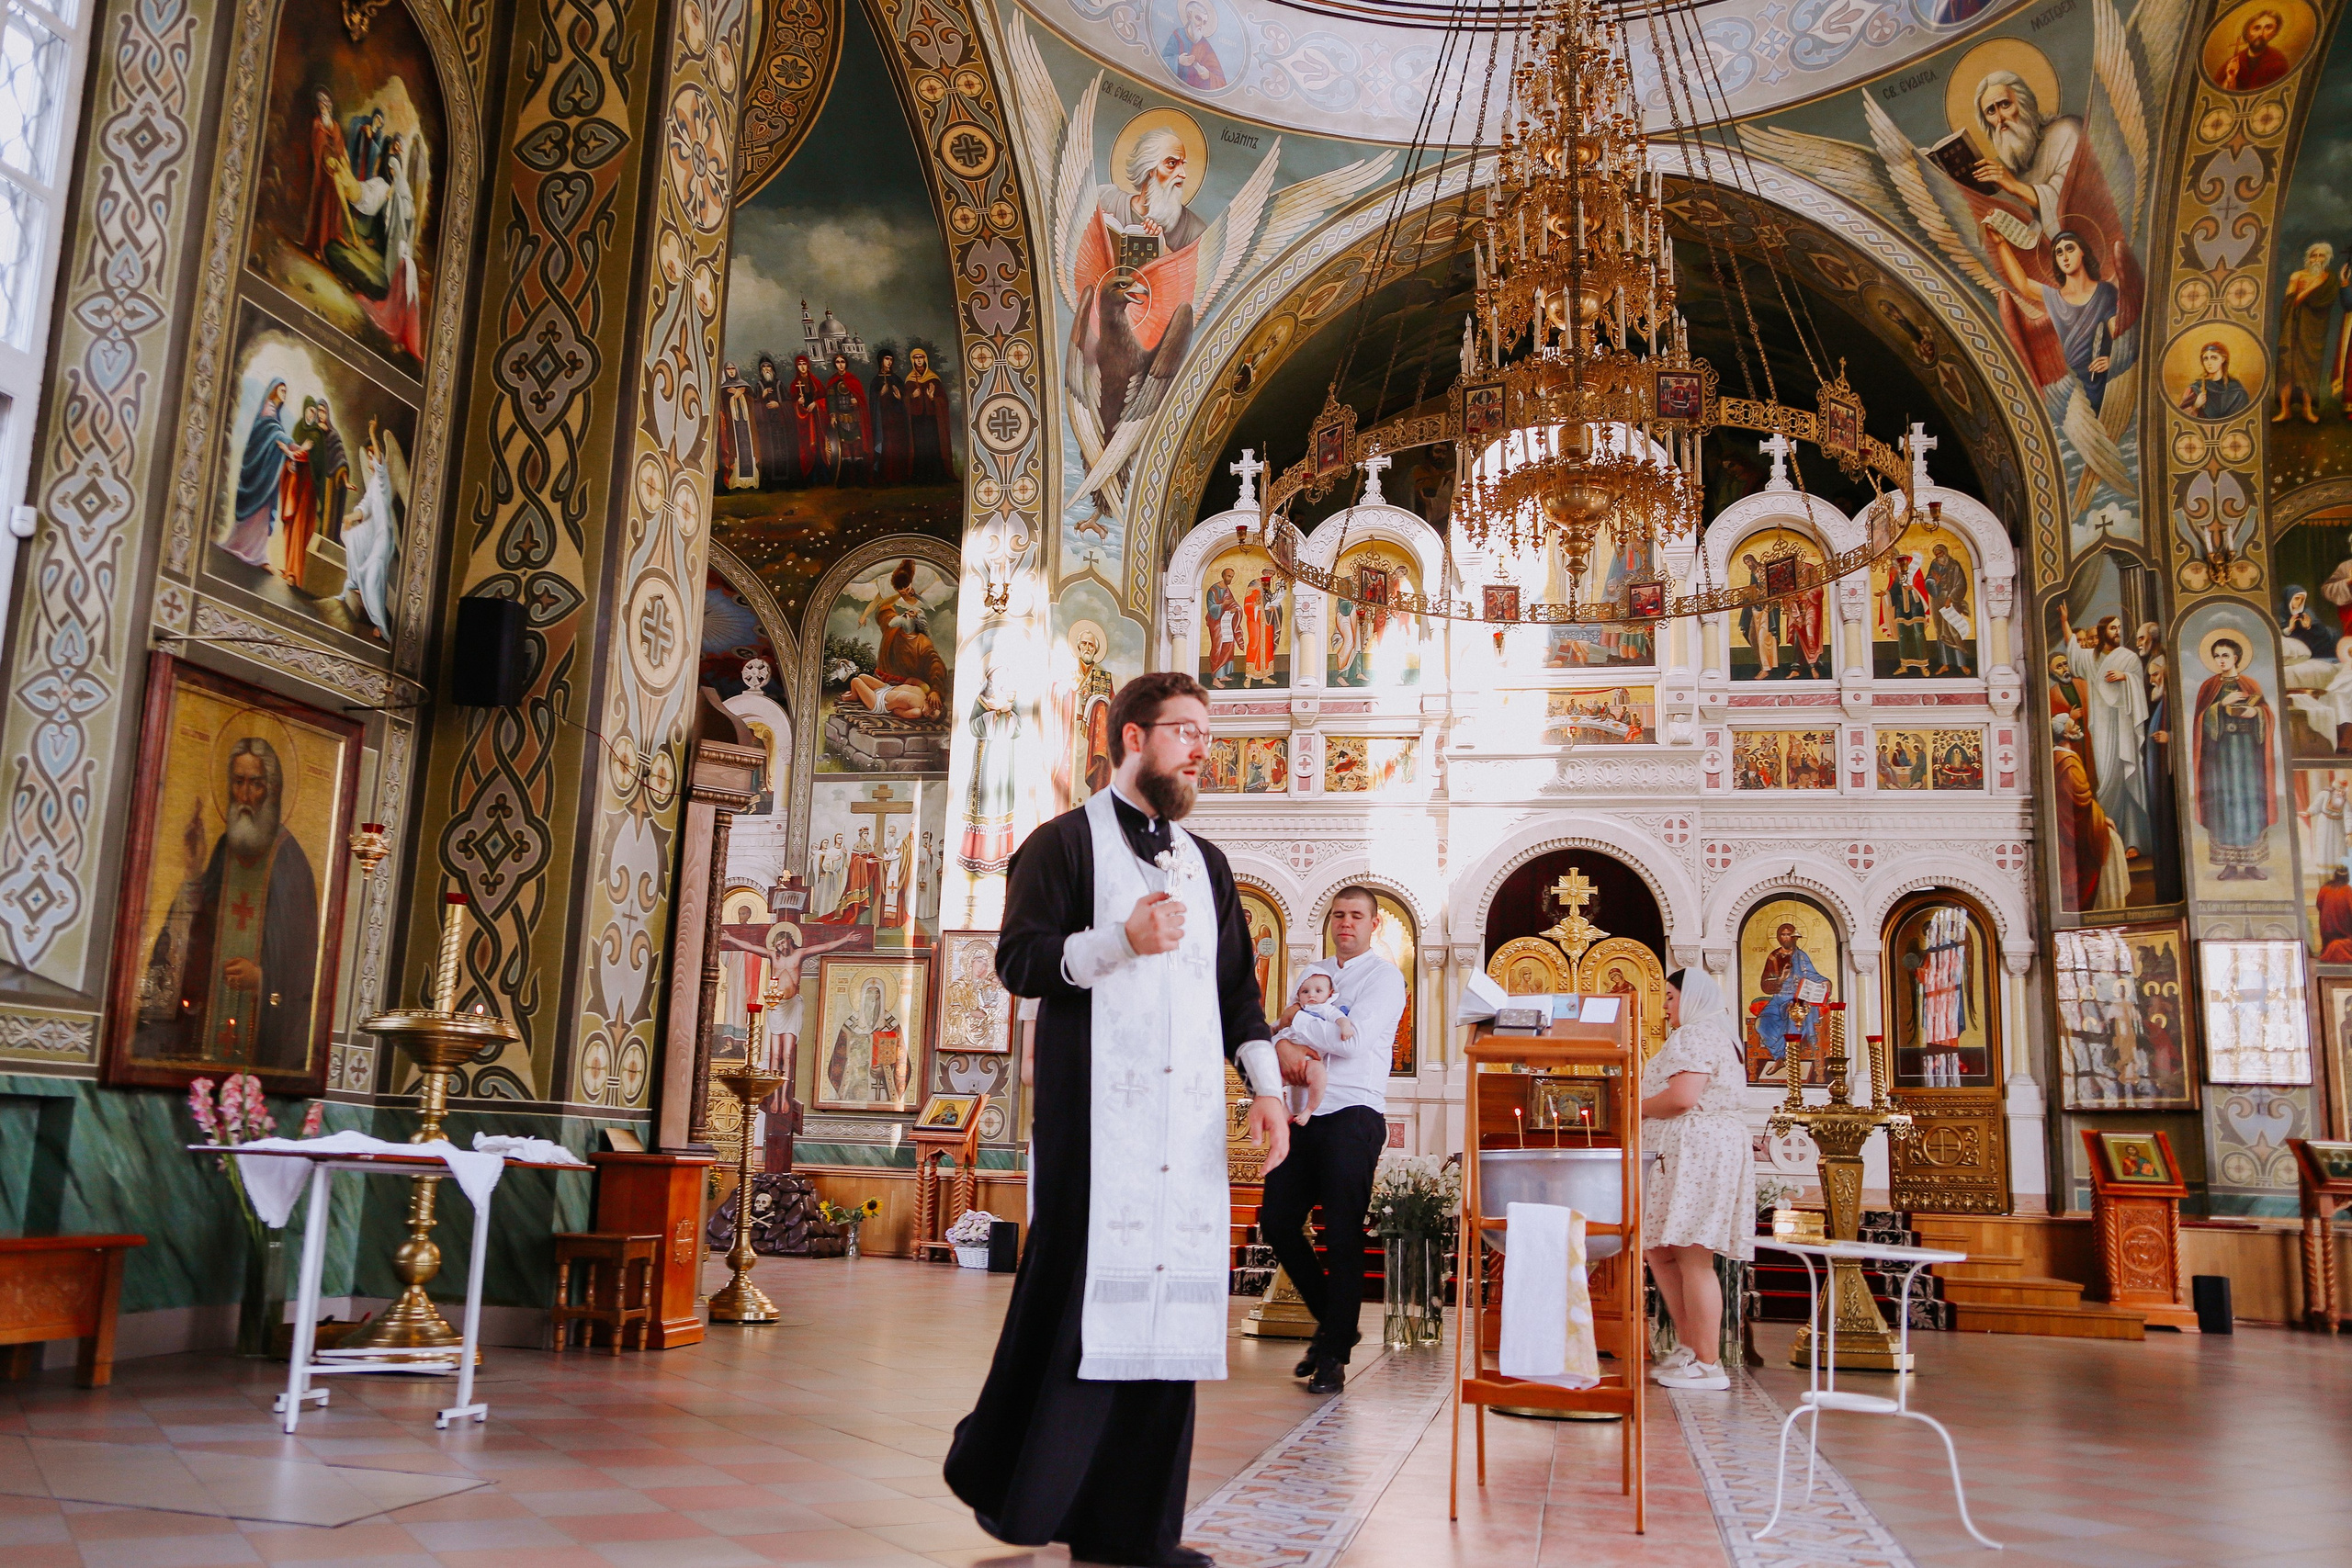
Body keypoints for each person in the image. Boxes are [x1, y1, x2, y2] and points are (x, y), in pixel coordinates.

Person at [946, 671, 1289, 1568]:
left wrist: (1267, 1090)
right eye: (1184, 731)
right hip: (1097, 1125)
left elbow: (1238, 996)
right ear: (1129, 737)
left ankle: (1136, 1530)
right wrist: (1118, 943)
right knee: (1078, 1308)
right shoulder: (1061, 847)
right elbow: (1016, 964)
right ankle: (1011, 1485)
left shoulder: (1206, 864)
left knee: (1172, 1317)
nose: (1200, 749)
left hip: (1186, 1136)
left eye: (1205, 735)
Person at [1261, 884, 1408, 1393]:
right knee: (1276, 1219)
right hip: (1304, 1114)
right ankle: (1336, 1324)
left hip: (1354, 1113)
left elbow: (1355, 1040)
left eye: (1357, 916)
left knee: (1342, 1232)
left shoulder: (1385, 977)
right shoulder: (1313, 973)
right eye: (1339, 915)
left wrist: (1294, 1034)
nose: (1347, 924)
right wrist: (1288, 1039)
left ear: (1374, 925)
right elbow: (1276, 1033)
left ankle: (1333, 1359)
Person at [1641, 969, 1756, 1392]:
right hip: (1696, 1150)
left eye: (1671, 998)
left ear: (1691, 999)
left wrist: (1633, 1107)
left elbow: (1682, 1097)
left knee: (1692, 1254)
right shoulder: (1711, 1034)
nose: (1666, 1007)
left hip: (1698, 1151)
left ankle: (1709, 1364)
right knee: (1661, 1249)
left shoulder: (1695, 1034)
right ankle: (1692, 1348)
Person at [2194, 636, 2278, 879]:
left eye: (2225, 655)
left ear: (2236, 657)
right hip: (2221, 755)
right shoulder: (2209, 687)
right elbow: (2200, 721)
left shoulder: (2250, 684)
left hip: (2248, 752)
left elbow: (2267, 714)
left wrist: (2256, 712)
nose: (2221, 660)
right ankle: (2229, 863)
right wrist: (2220, 705)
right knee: (2225, 803)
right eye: (2217, 656)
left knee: (2250, 801)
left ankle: (2252, 863)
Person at [1272, 967, 1351, 1124]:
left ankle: (1309, 1109)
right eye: (1305, 991)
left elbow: (1340, 1019)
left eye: (1318, 991)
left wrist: (1345, 1026)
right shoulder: (1293, 1010)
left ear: (1329, 993)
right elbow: (1277, 1026)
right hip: (1285, 1057)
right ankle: (1284, 1108)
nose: (1311, 995)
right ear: (1298, 994)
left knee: (1319, 1076)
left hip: (1311, 1059)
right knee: (1270, 1080)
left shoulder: (1326, 1009)